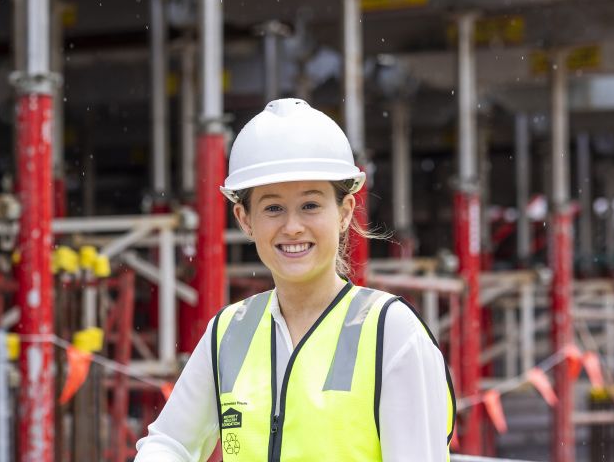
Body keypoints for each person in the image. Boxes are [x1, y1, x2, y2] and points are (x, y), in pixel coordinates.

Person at [135, 98, 454, 461]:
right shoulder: (230, 332)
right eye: (272, 208)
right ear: (244, 219)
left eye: (310, 205)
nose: (292, 227)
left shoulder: (391, 332)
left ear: (345, 212)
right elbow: (170, 443)